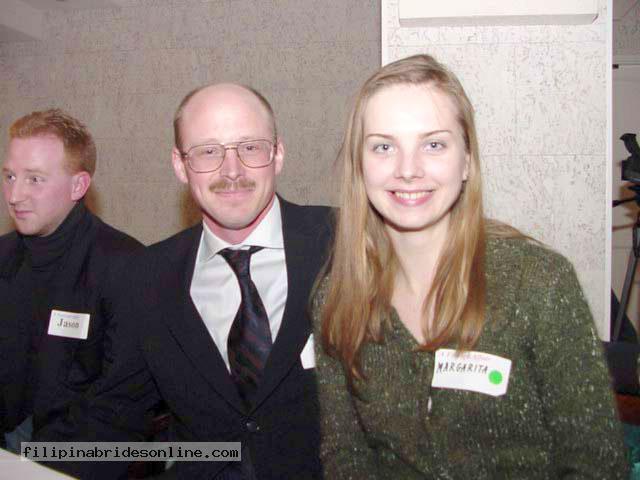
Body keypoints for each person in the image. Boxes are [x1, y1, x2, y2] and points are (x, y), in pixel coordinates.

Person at [313, 54, 628, 479]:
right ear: (360, 165)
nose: (408, 170)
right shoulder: (336, 298)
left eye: (434, 144)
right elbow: (345, 454)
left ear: (466, 161)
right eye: (384, 147)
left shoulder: (539, 284)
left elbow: (598, 464)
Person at [38, 84, 331, 479]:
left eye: (250, 147)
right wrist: (31, 468)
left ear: (277, 154)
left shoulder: (346, 245)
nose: (232, 171)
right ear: (180, 165)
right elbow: (115, 412)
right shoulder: (148, 276)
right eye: (208, 151)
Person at [0, 109, 143, 452]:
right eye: (9, 176)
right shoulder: (2, 255)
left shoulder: (126, 266)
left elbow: (121, 405)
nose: (14, 195)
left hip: (73, 452)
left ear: (78, 186)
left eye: (35, 179)